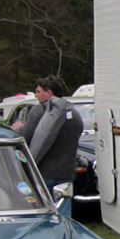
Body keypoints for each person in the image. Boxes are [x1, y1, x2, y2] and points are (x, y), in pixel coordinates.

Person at [13, 75, 84, 216]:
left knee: (43, 213)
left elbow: (24, 136)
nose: (36, 95)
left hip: (44, 173)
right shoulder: (74, 113)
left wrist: (18, 129)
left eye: (38, 91)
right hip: (66, 174)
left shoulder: (39, 111)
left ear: (49, 92)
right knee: (63, 215)